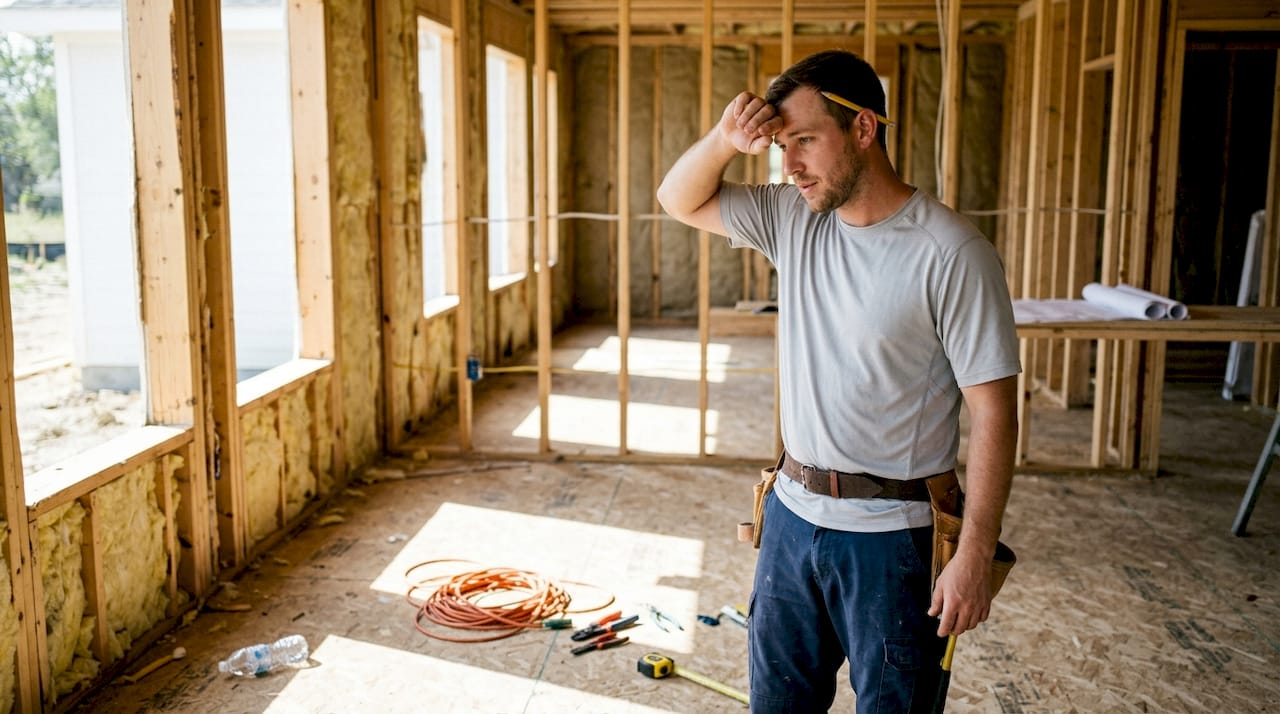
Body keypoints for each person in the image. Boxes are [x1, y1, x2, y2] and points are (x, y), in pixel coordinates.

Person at [656, 49, 1021, 713]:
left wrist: (973, 556)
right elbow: (677, 198)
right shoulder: (795, 219)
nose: (788, 165)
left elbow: (995, 414)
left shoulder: (952, 252)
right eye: (779, 145)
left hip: (896, 544)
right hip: (791, 520)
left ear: (863, 128)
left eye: (803, 142)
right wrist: (723, 140)